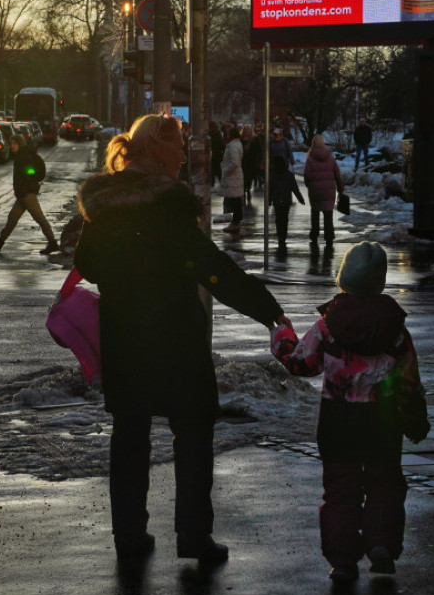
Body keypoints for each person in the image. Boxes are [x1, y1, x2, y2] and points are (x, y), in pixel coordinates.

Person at [74, 114, 292, 566]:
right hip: (174, 334)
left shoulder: (105, 204)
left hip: (125, 334)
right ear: (158, 150)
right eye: (177, 148)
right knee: (193, 431)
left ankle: (129, 536)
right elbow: (211, 267)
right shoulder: (169, 206)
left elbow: (89, 265)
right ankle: (193, 536)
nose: (183, 155)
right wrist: (268, 311)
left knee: (130, 435)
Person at [270, 242, 430, 583]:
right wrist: (416, 418)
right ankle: (381, 545)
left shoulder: (329, 325)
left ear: (344, 279)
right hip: (383, 420)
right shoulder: (395, 329)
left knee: (341, 489)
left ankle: (342, 560)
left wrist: (281, 333)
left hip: (338, 419)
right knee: (385, 482)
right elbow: (409, 380)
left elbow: (300, 363)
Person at [0, 135, 60, 254]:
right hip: (23, 194)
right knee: (12, 218)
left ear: (20, 144)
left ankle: (53, 243)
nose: (12, 146)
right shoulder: (21, 155)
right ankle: (0, 242)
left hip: (27, 194)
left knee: (40, 219)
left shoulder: (24, 157)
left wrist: (27, 178)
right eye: (11, 144)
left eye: (14, 144)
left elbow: (31, 171)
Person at [303, 133, 345, 246]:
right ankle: (329, 236)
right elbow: (337, 174)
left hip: (315, 191)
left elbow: (307, 176)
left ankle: (314, 235)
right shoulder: (330, 158)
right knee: (328, 214)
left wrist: (310, 186)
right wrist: (341, 189)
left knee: (315, 213)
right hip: (329, 191)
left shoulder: (310, 159)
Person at [269, 154, 305, 250]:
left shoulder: (272, 175)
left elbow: (269, 190)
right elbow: (295, 188)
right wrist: (300, 199)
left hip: (276, 200)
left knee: (278, 218)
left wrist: (268, 201)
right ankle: (283, 236)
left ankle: (279, 234)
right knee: (284, 218)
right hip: (286, 200)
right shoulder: (288, 175)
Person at [219, 125, 245, 234]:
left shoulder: (233, 147)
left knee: (235, 201)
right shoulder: (236, 145)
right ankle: (235, 222)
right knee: (235, 201)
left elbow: (234, 162)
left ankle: (235, 223)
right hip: (235, 177)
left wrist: (225, 170)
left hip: (232, 178)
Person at [241, 124, 262, 204]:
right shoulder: (240, 139)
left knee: (249, 178)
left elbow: (259, 151)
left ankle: (248, 190)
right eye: (245, 129)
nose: (247, 131)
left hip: (251, 163)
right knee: (243, 179)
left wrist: (259, 161)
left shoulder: (255, 139)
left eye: (248, 129)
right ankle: (243, 191)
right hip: (243, 162)